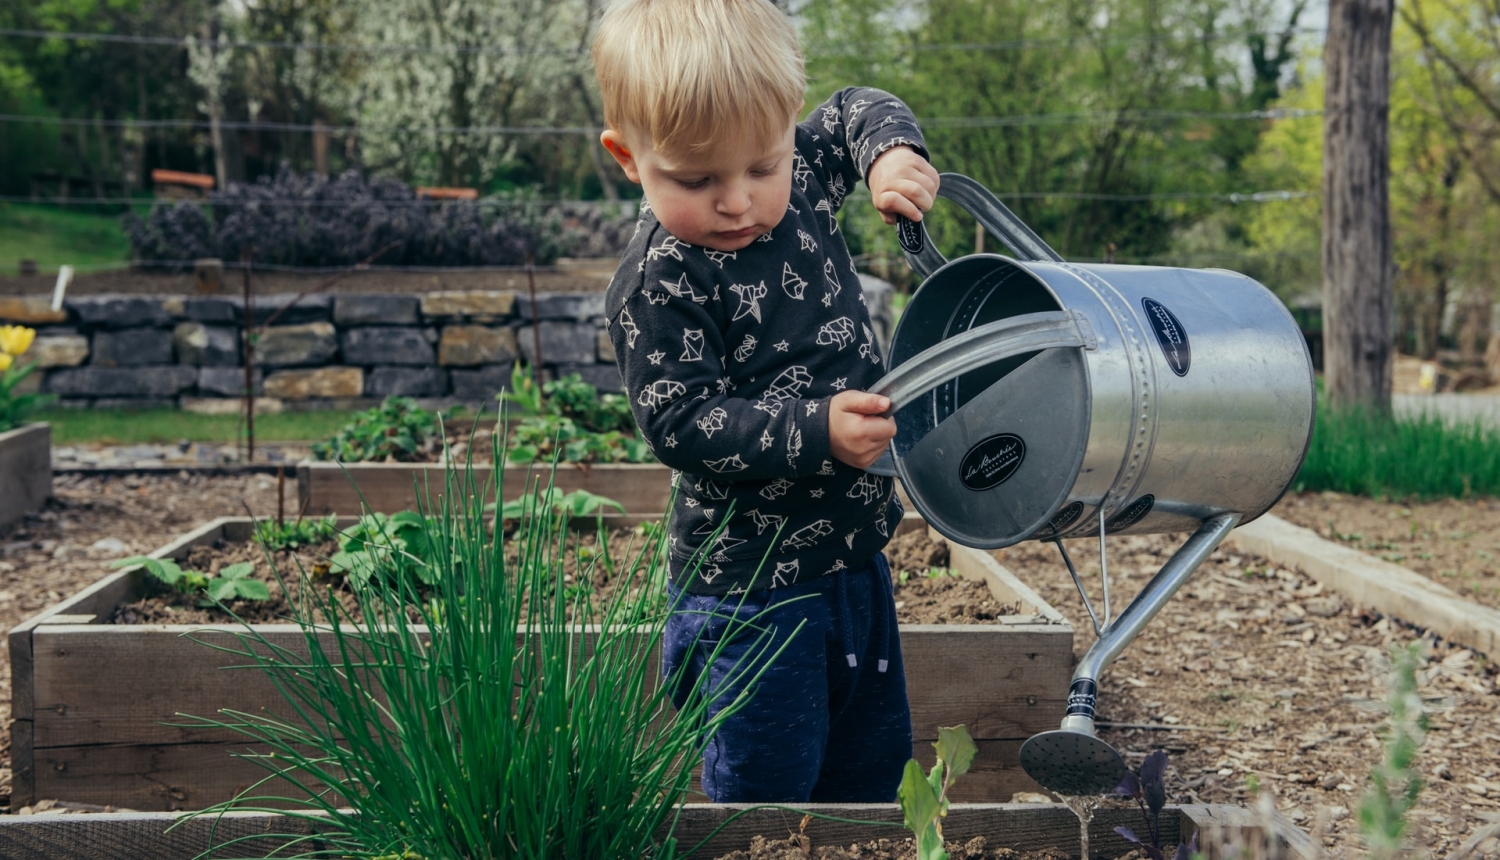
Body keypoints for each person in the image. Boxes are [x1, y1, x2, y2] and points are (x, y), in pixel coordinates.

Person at [592, 0, 939, 803]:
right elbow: (680, 420)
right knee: (768, 788)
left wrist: (888, 156)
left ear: (786, 131)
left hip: (856, 558)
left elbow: (857, 107)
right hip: (750, 586)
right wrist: (814, 430)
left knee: (869, 767)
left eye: (762, 166)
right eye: (696, 178)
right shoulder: (662, 281)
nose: (738, 201)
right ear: (627, 158)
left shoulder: (805, 171)